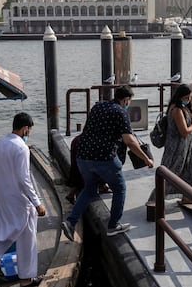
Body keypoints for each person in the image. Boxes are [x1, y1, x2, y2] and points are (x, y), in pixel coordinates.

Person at [61, 86, 154, 241]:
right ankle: (113, 225)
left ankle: (70, 222)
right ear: (126, 100)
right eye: (128, 102)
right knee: (120, 188)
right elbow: (129, 140)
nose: (128, 105)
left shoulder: (98, 106)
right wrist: (146, 159)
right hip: (104, 157)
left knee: (89, 189)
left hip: (82, 155)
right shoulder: (121, 112)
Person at [0, 113, 46, 287]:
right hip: (20, 198)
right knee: (26, 237)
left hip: (3, 195)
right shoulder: (21, 148)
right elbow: (24, 178)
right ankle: (26, 278)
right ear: (25, 128)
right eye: (29, 130)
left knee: (6, 226)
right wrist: (36, 202)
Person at [149, 84, 192, 204]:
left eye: (190, 97)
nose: (188, 100)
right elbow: (184, 131)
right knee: (172, 173)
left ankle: (188, 197)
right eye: (186, 97)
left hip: (187, 147)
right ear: (180, 97)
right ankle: (155, 200)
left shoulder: (182, 108)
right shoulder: (176, 110)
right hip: (177, 147)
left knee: (190, 169)